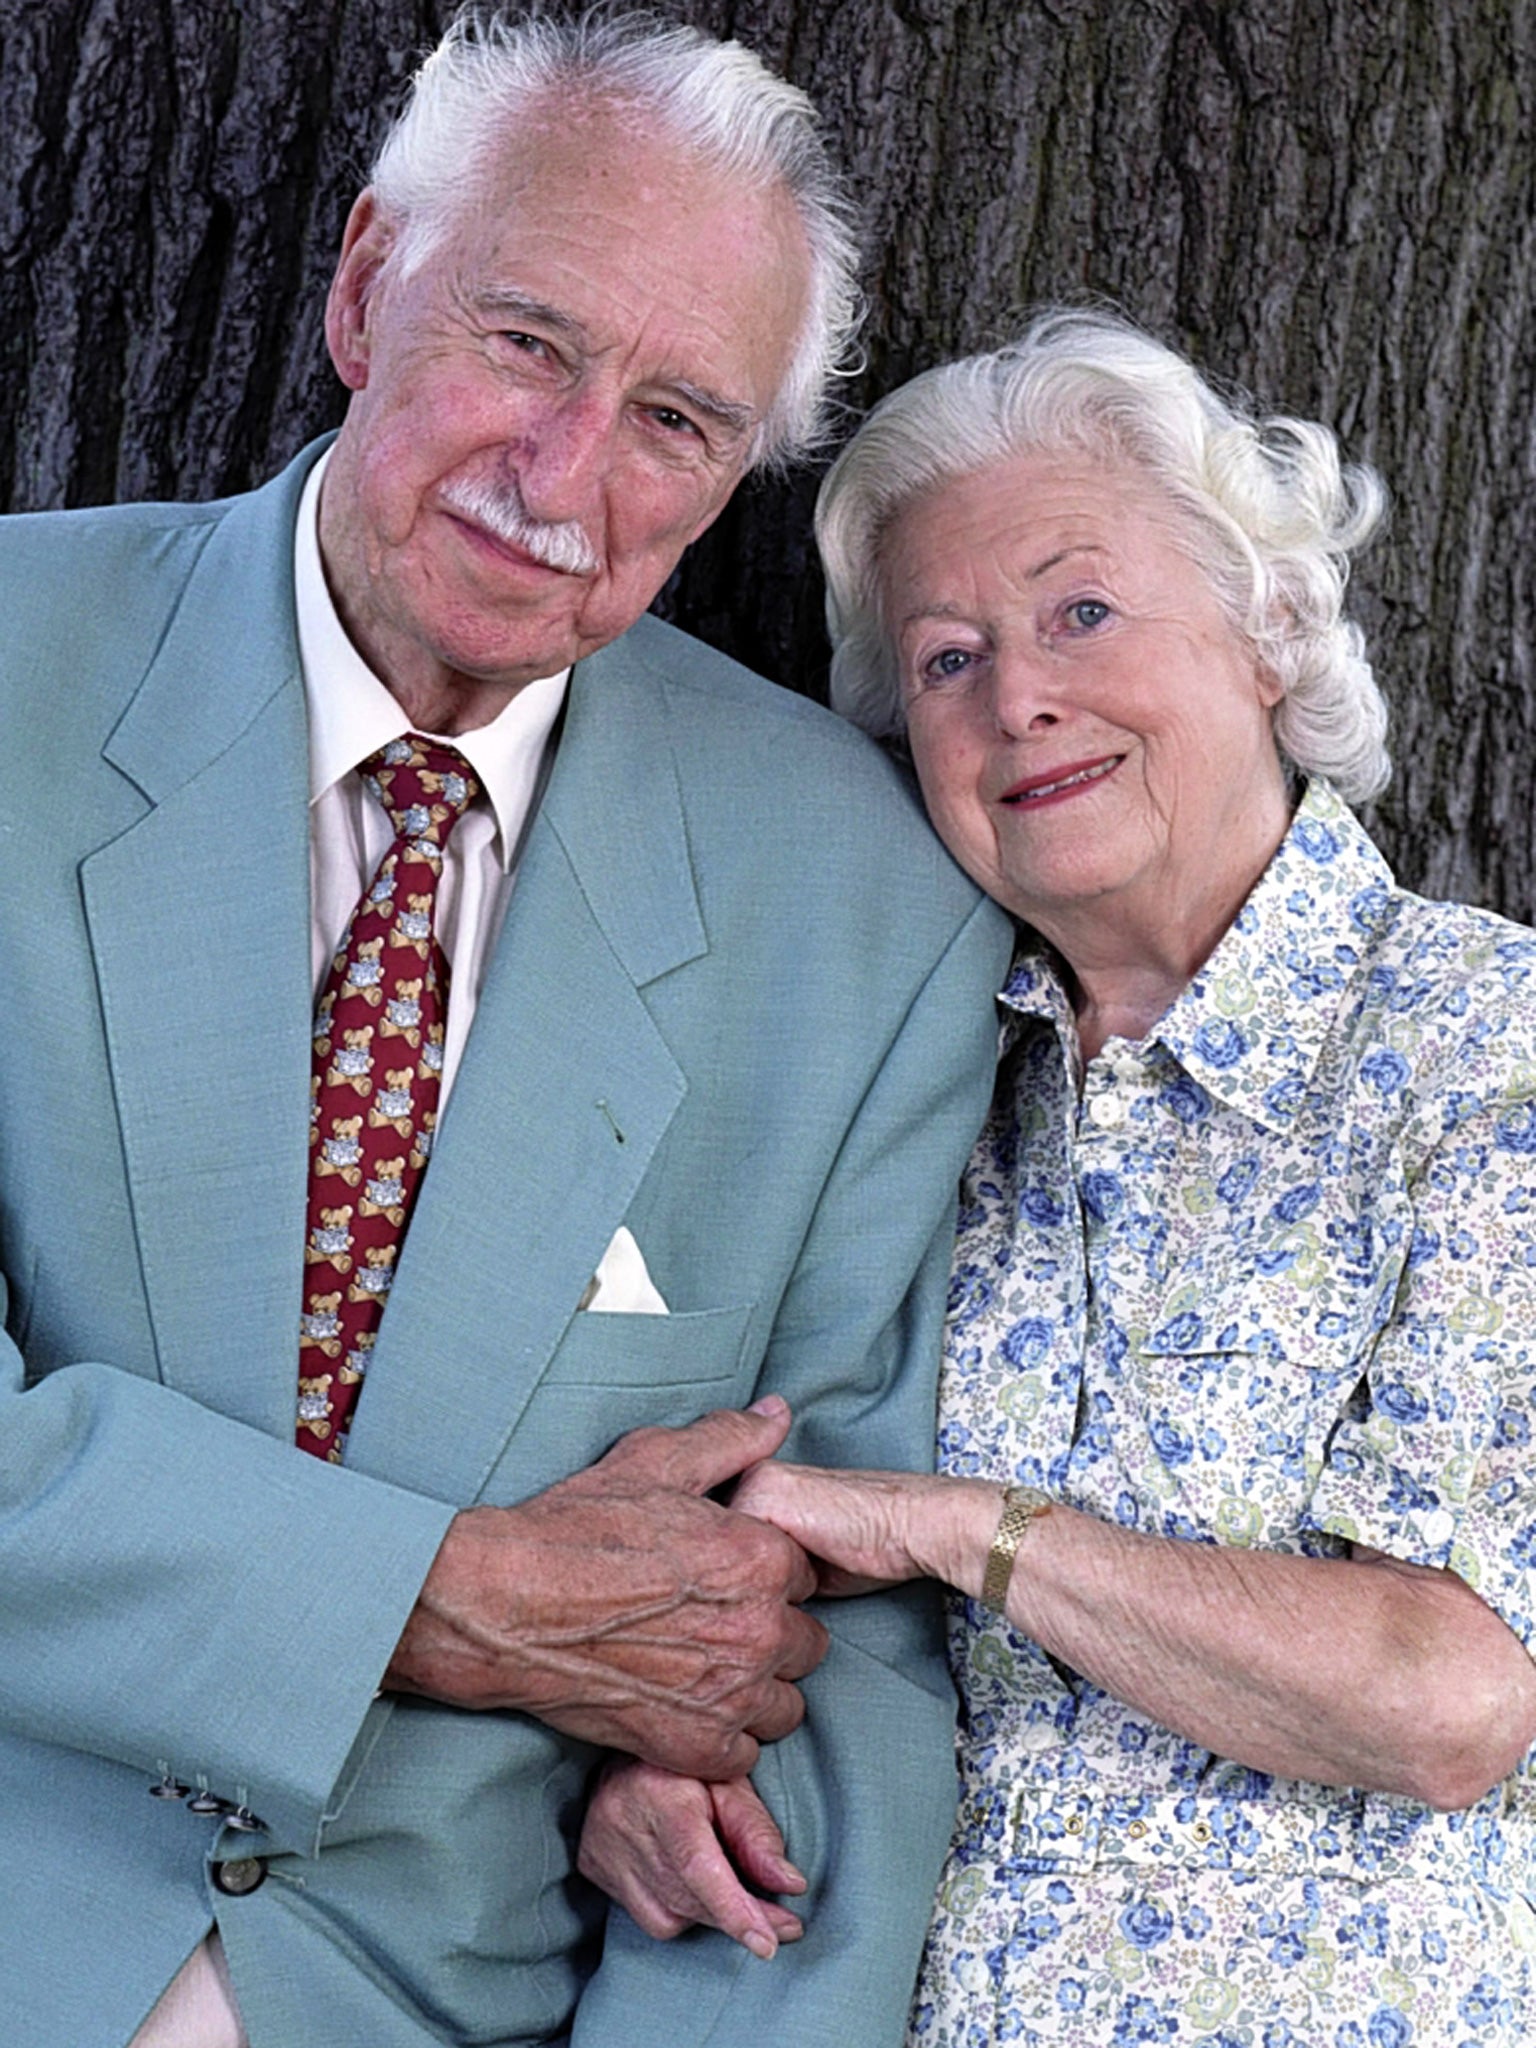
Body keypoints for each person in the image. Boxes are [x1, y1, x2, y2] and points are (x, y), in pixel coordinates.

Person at [0, 12, 1012, 2046]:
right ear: (367, 288)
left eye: (678, 420)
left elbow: (834, 1643)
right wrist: (435, 1605)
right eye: (527, 345)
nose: (567, 480)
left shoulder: (866, 900)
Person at [579, 310, 1536, 2043]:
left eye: (1083, 611)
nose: (1018, 694)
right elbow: (769, 1542)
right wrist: (676, 1741)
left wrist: (956, 1530)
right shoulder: (926, 1074)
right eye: (945, 659)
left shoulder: (1491, 1051)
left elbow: (1443, 1694)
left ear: (1268, 630)